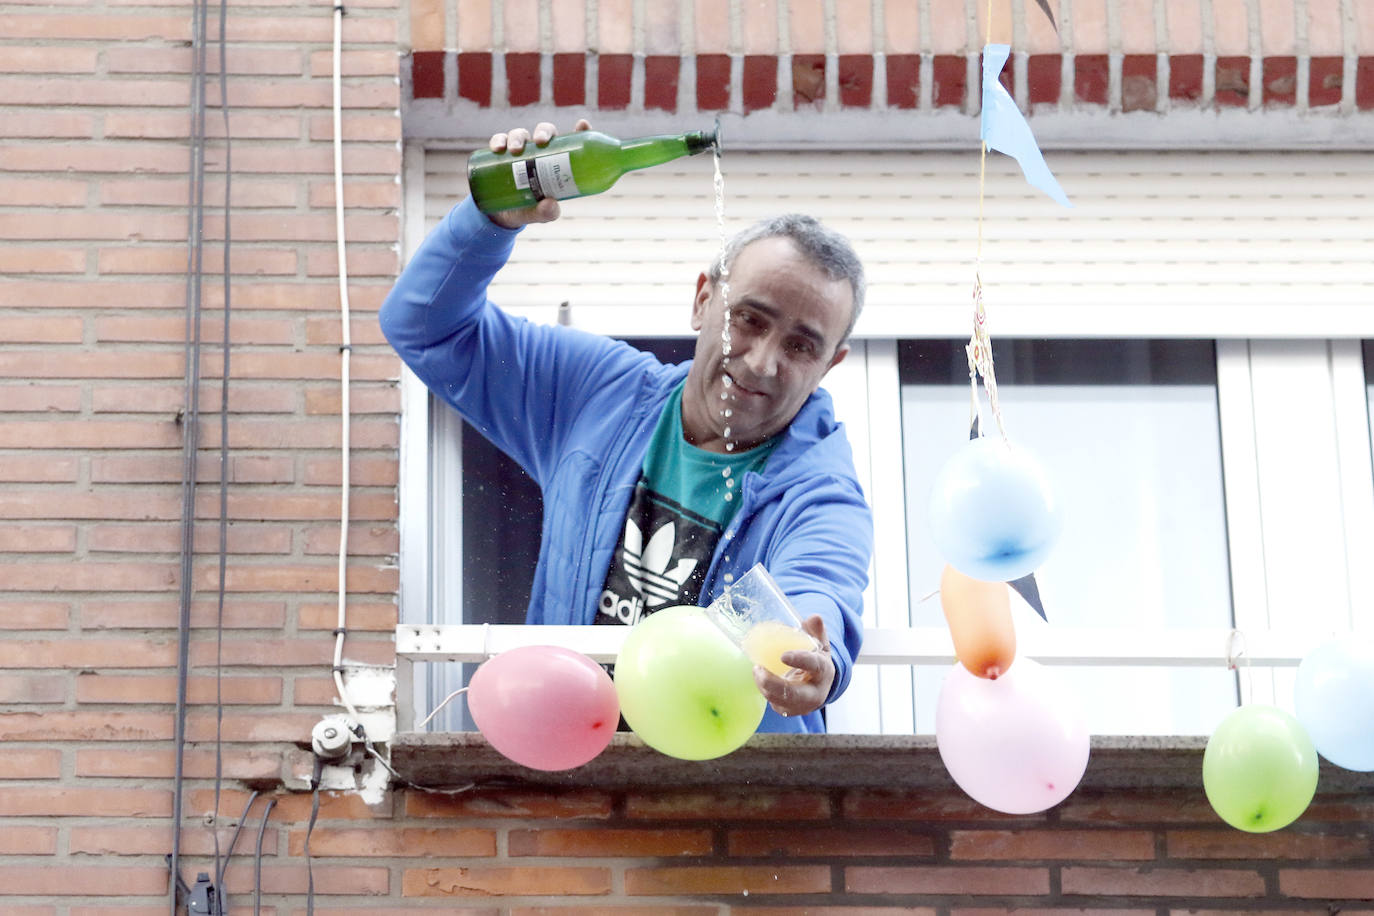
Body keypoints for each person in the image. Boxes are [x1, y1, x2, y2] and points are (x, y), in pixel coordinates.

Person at [379, 120, 874, 734]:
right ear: (702, 301)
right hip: (571, 777)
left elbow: (818, 589)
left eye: (801, 346)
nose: (762, 360)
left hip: (729, 811)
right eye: (749, 319)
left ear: (830, 365)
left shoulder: (823, 492)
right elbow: (425, 328)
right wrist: (487, 221)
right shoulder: (600, 393)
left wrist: (810, 657)